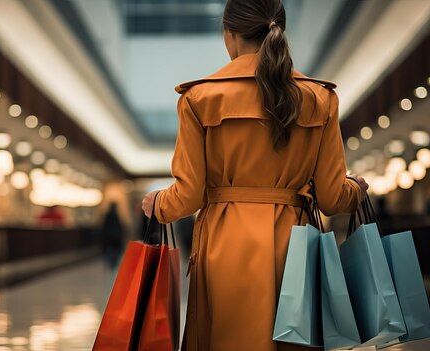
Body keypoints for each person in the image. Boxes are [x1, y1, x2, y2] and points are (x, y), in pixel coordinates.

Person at [141, 1, 368, 349]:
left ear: (230, 35)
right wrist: (356, 188)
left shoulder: (200, 97)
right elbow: (333, 198)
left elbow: (188, 196)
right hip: (297, 247)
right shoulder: (320, 98)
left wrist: (157, 203)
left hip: (224, 247)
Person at [101, 202, 124, 269]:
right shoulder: (116, 216)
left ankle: (111, 263)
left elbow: (104, 227)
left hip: (109, 238)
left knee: (111, 251)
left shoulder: (108, 216)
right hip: (115, 238)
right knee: (114, 251)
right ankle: (113, 264)